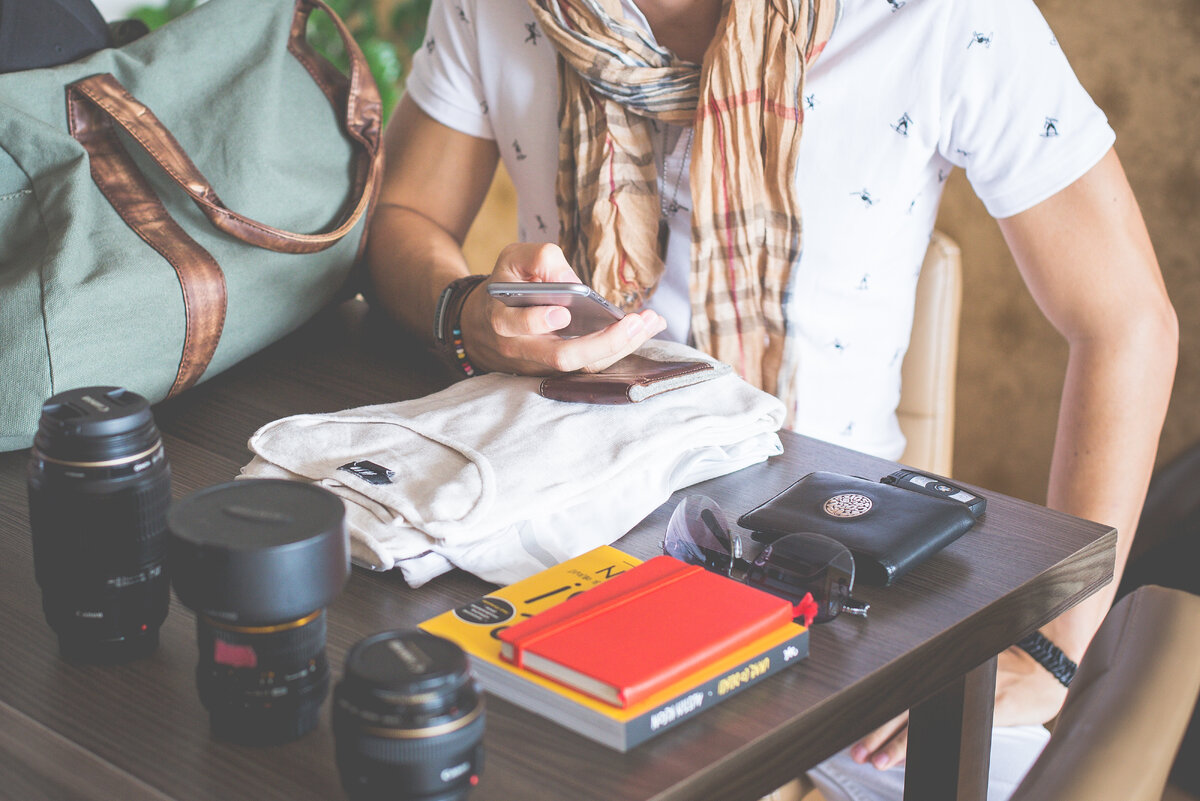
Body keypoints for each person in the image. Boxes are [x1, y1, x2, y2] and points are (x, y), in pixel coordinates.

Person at [365, 0, 1178, 798]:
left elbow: (1125, 321)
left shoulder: (943, 15)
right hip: (551, 545)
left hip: (837, 593)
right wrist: (466, 308)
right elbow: (403, 215)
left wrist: (1062, 637)